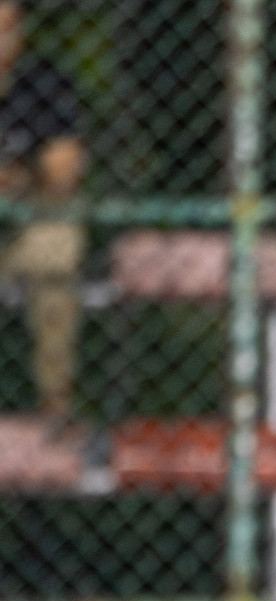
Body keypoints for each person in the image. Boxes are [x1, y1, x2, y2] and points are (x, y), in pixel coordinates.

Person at [0, 0, 86, 424]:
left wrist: (19, 179)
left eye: (6, 30)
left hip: (24, 228)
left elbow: (64, 169)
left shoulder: (42, 84)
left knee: (57, 242)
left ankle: (55, 407)